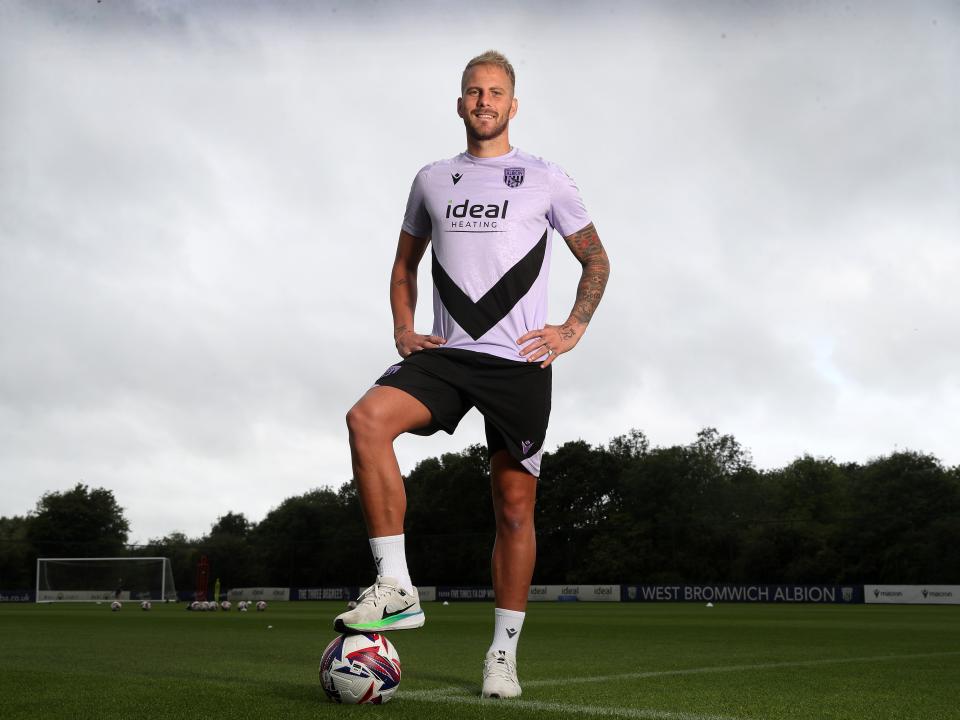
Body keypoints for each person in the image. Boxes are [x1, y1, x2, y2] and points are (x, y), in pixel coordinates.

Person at [338, 50, 610, 699]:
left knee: (514, 509)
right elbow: (403, 267)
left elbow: (596, 262)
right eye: (473, 92)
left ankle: (502, 656)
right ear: (459, 104)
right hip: (446, 354)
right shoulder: (431, 179)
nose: (484, 101)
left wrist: (571, 330)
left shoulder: (546, 179)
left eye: (495, 93)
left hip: (519, 362)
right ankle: (396, 587)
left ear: (513, 106)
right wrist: (404, 329)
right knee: (366, 419)